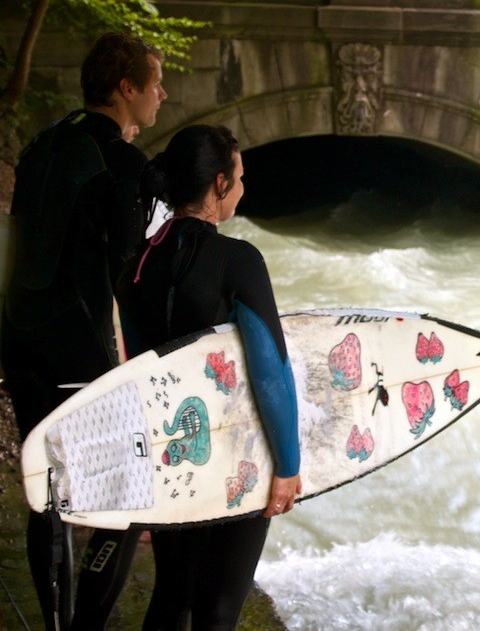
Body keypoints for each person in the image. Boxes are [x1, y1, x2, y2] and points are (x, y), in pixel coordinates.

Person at [1, 31, 167, 630]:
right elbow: (137, 274)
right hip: (77, 350)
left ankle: (55, 624)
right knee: (128, 493)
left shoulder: (45, 142)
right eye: (155, 84)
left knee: (49, 492)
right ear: (127, 89)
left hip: (19, 339)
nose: (163, 95)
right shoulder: (125, 164)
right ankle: (86, 625)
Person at [116, 124, 302, 630]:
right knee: (218, 611)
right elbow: (271, 371)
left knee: (171, 595)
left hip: (171, 456)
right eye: (239, 178)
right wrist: (288, 464)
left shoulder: (138, 263)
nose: (242, 188)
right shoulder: (238, 260)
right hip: (234, 457)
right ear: (219, 185)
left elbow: (131, 370)